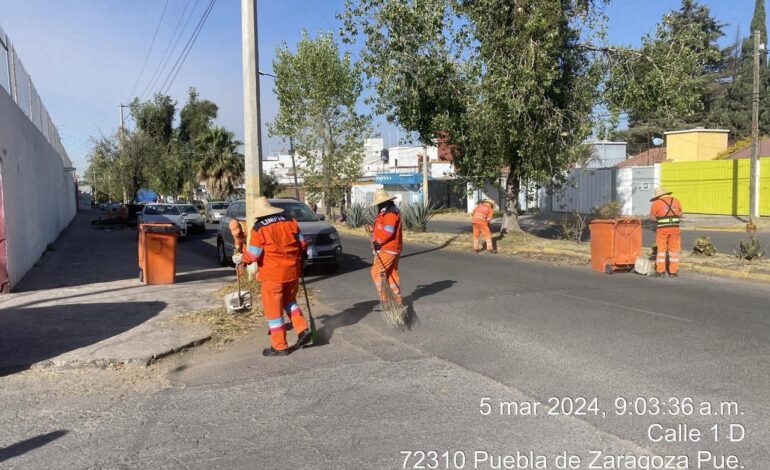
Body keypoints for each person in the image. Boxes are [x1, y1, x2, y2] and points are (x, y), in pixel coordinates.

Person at [233, 197, 312, 356]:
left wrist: (241, 258)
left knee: (273, 311)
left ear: (259, 214)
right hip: (292, 272)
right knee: (290, 302)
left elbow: (254, 255)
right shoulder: (290, 221)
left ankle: (279, 345)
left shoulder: (259, 228)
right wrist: (302, 257)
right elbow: (303, 244)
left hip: (273, 275)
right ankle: (303, 329)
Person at [367, 189, 403, 305]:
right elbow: (383, 228)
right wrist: (373, 230)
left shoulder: (390, 213)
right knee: (391, 273)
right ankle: (397, 300)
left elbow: (388, 231)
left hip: (388, 247)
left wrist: (378, 242)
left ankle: (386, 300)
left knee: (376, 271)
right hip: (391, 247)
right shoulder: (386, 211)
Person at [649, 187, 682, 278]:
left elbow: (652, 217)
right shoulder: (676, 201)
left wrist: (659, 219)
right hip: (675, 229)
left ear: (658, 196)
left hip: (662, 230)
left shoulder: (656, 203)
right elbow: (680, 214)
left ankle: (660, 271)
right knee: (674, 251)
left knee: (661, 251)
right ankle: (673, 272)